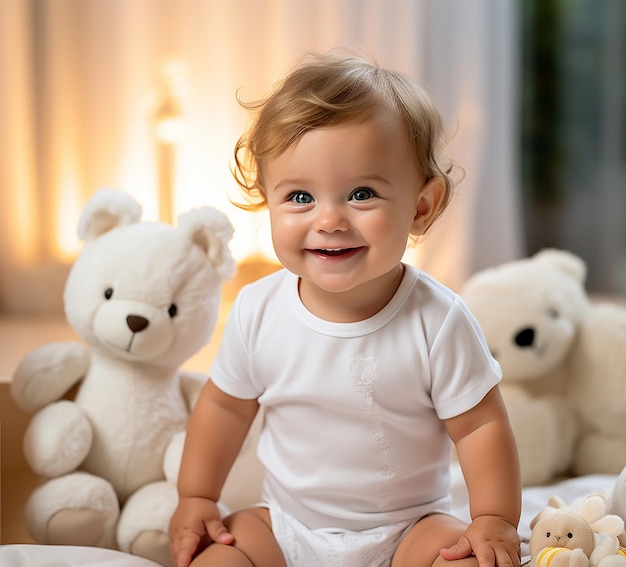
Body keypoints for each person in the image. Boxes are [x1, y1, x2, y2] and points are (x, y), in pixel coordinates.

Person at [169, 51, 521, 567]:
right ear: (267, 199)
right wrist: (196, 496)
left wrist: (494, 518)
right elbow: (224, 407)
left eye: (361, 194)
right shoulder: (258, 310)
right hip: (288, 526)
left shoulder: (437, 319)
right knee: (219, 558)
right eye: (299, 197)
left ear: (421, 207)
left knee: (462, 558)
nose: (329, 220)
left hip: (408, 530)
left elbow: (480, 427)